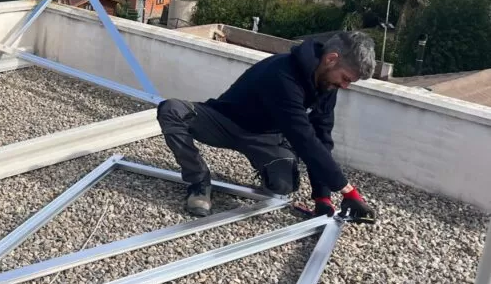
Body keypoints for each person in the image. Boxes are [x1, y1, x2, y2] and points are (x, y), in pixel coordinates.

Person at [156, 31, 377, 221]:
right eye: (346, 78)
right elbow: (303, 138)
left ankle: (266, 165)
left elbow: (322, 138)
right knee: (172, 110)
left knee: (282, 187)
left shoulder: (328, 86)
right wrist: (349, 191)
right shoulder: (282, 74)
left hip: (265, 137)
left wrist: (323, 196)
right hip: (225, 121)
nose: (345, 86)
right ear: (331, 59)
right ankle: (199, 181)